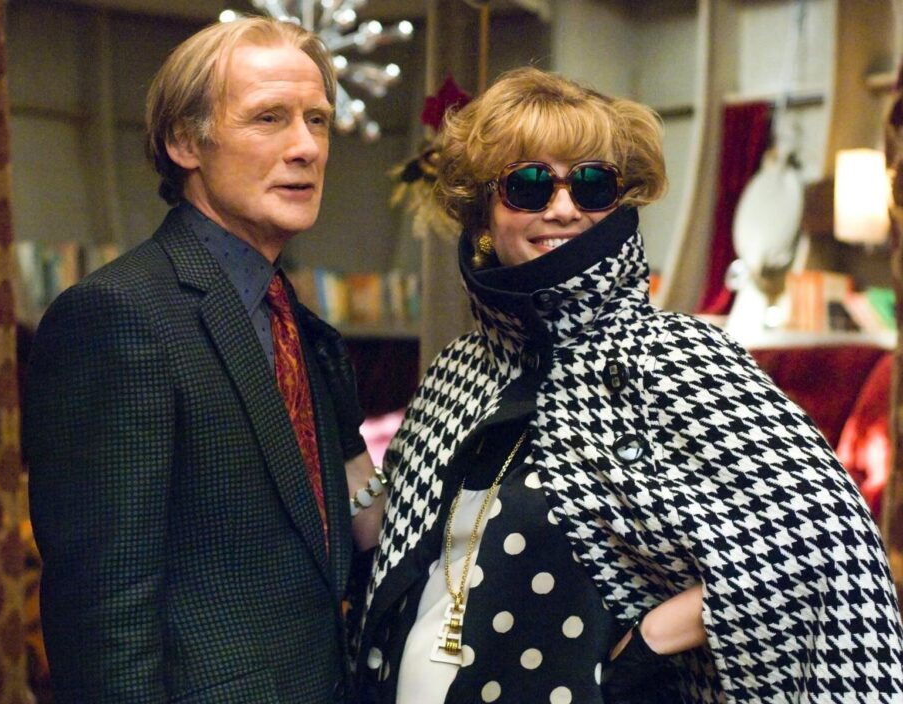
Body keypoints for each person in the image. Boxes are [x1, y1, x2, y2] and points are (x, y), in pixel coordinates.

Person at [355, 67, 903, 703]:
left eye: (592, 183)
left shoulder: (676, 356)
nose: (564, 207)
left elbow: (824, 540)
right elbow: (394, 548)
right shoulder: (458, 370)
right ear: (484, 214)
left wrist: (650, 639)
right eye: (529, 184)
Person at [22, 16, 385, 703]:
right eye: (269, 118)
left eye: (317, 120)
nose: (306, 147)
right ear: (185, 142)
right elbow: (103, 619)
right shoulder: (118, 315)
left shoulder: (293, 320)